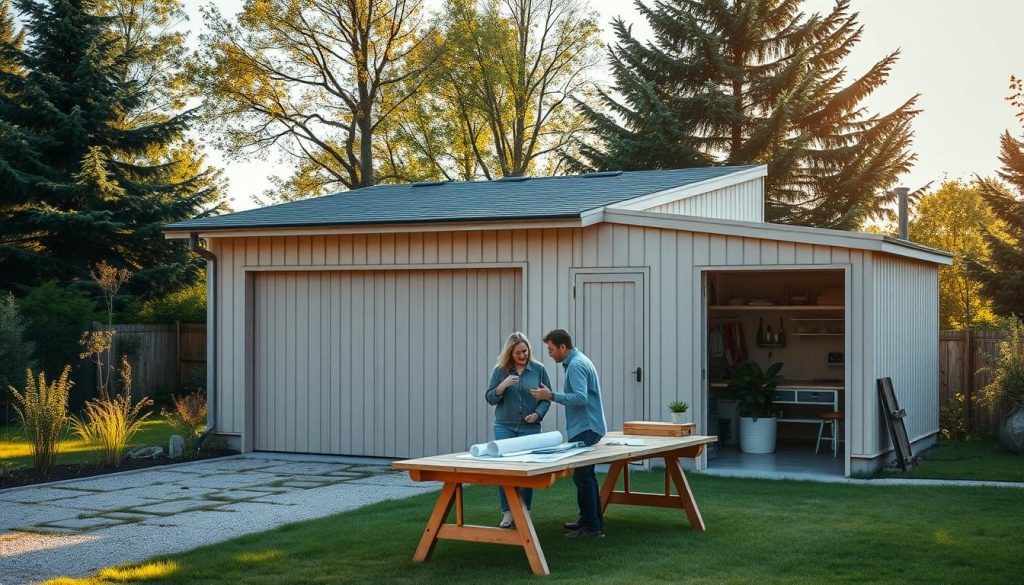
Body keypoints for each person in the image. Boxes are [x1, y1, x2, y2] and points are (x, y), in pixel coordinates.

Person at [531, 328, 607, 538]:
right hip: (589, 427)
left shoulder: (575, 365)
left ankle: (591, 528)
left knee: (583, 478)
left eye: (551, 349)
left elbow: (580, 398)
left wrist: (550, 395)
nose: (550, 353)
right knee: (587, 477)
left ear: (563, 347)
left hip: (586, 428)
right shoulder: (579, 360)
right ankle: (592, 523)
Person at [485, 331, 552, 529]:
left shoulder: (538, 370)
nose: (523, 356)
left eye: (525, 351)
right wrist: (502, 386)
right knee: (505, 470)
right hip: (504, 426)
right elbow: (490, 398)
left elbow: (546, 398)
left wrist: (538, 414)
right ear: (509, 353)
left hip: (530, 428)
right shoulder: (500, 371)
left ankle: (523, 511)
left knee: (526, 470)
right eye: (518, 353)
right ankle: (507, 512)